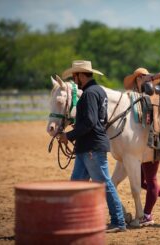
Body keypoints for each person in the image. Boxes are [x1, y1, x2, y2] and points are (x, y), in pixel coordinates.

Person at [58, 60, 126, 233]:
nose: (74, 80)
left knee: (104, 184)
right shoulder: (99, 91)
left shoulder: (89, 94)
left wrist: (69, 136)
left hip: (91, 147)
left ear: (81, 75)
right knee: (76, 184)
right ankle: (74, 220)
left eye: (75, 76)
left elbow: (89, 122)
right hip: (88, 146)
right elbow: (95, 121)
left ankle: (118, 221)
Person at [124, 68, 160, 227]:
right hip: (141, 145)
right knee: (143, 181)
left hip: (153, 142)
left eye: (144, 76)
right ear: (136, 80)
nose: (142, 79)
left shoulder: (153, 96)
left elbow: (154, 119)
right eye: (139, 77)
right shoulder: (133, 98)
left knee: (150, 180)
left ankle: (147, 214)